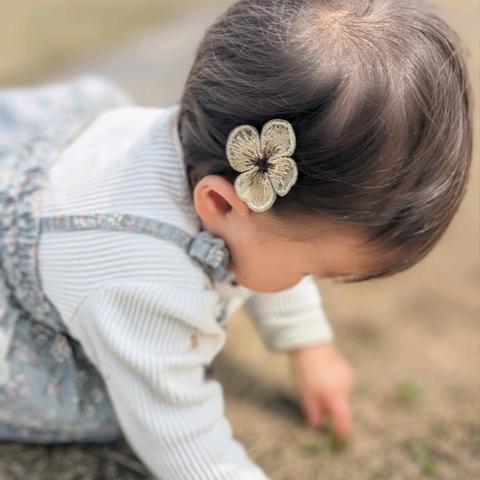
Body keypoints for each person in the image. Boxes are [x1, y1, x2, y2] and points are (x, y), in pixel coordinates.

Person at [0, 0, 472, 478]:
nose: (306, 283)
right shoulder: (142, 285)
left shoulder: (214, 148)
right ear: (222, 203)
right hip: (26, 292)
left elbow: (273, 234)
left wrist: (310, 345)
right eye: (309, 271)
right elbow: (180, 433)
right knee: (102, 407)